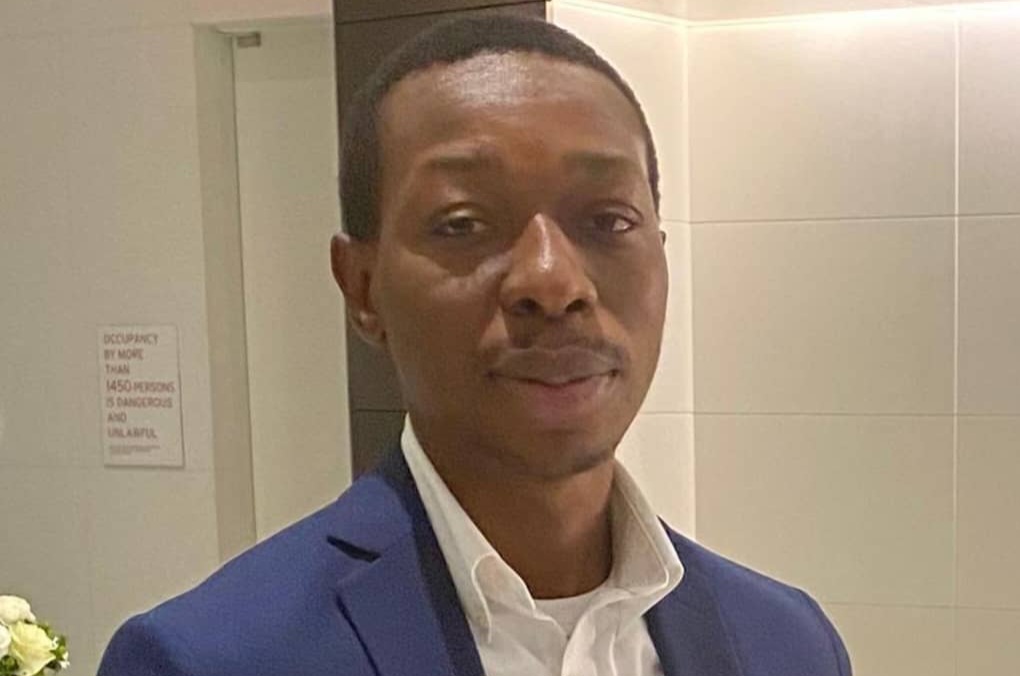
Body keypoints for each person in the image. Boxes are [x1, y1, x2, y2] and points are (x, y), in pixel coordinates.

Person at [99, 15, 851, 676]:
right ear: (362, 288)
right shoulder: (215, 659)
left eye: (608, 221)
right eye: (463, 224)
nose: (553, 282)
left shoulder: (785, 644)